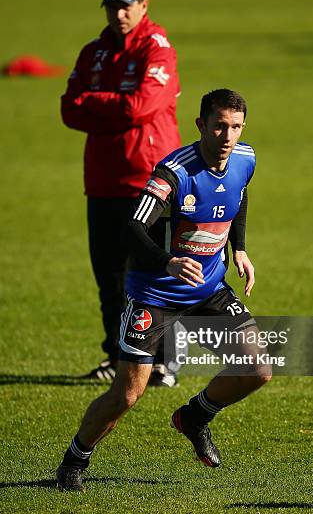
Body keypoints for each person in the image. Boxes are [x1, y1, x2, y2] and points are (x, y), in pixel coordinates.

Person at [56, 89, 272, 491]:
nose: (228, 136)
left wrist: (238, 248)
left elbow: (238, 196)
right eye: (220, 125)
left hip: (207, 288)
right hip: (153, 293)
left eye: (237, 127)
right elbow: (134, 228)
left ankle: (195, 416)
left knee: (258, 369)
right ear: (201, 125)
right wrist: (168, 262)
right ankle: (74, 461)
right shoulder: (173, 172)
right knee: (127, 393)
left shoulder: (245, 158)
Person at [61, 0, 181, 385]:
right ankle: (117, 357)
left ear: (144, 5)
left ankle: (164, 361)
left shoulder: (157, 49)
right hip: (102, 181)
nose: (120, 12)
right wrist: (114, 105)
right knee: (109, 277)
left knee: (154, 274)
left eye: (127, 4)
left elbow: (139, 106)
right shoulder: (93, 53)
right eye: (113, 6)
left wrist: (94, 100)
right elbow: (68, 112)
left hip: (150, 181)